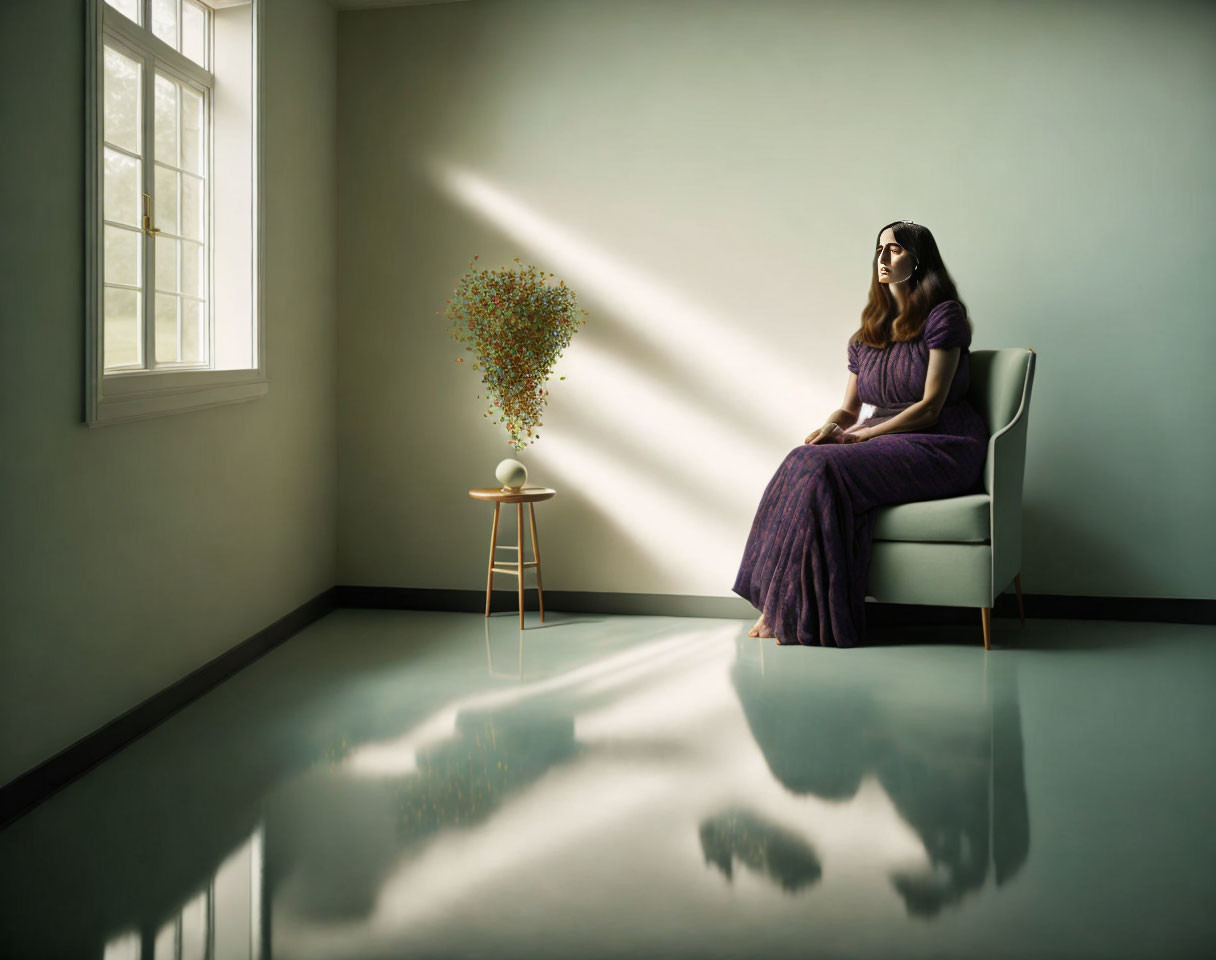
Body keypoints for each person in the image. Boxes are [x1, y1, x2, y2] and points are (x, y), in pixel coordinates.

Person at [733, 220, 989, 646]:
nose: (883, 258)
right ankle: (780, 602)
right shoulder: (869, 330)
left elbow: (930, 407)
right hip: (884, 436)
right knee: (804, 456)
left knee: (822, 470)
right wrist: (832, 428)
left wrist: (863, 438)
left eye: (895, 249)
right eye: (879, 249)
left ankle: (789, 610)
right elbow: (851, 408)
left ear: (919, 258)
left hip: (942, 443)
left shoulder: (944, 316)